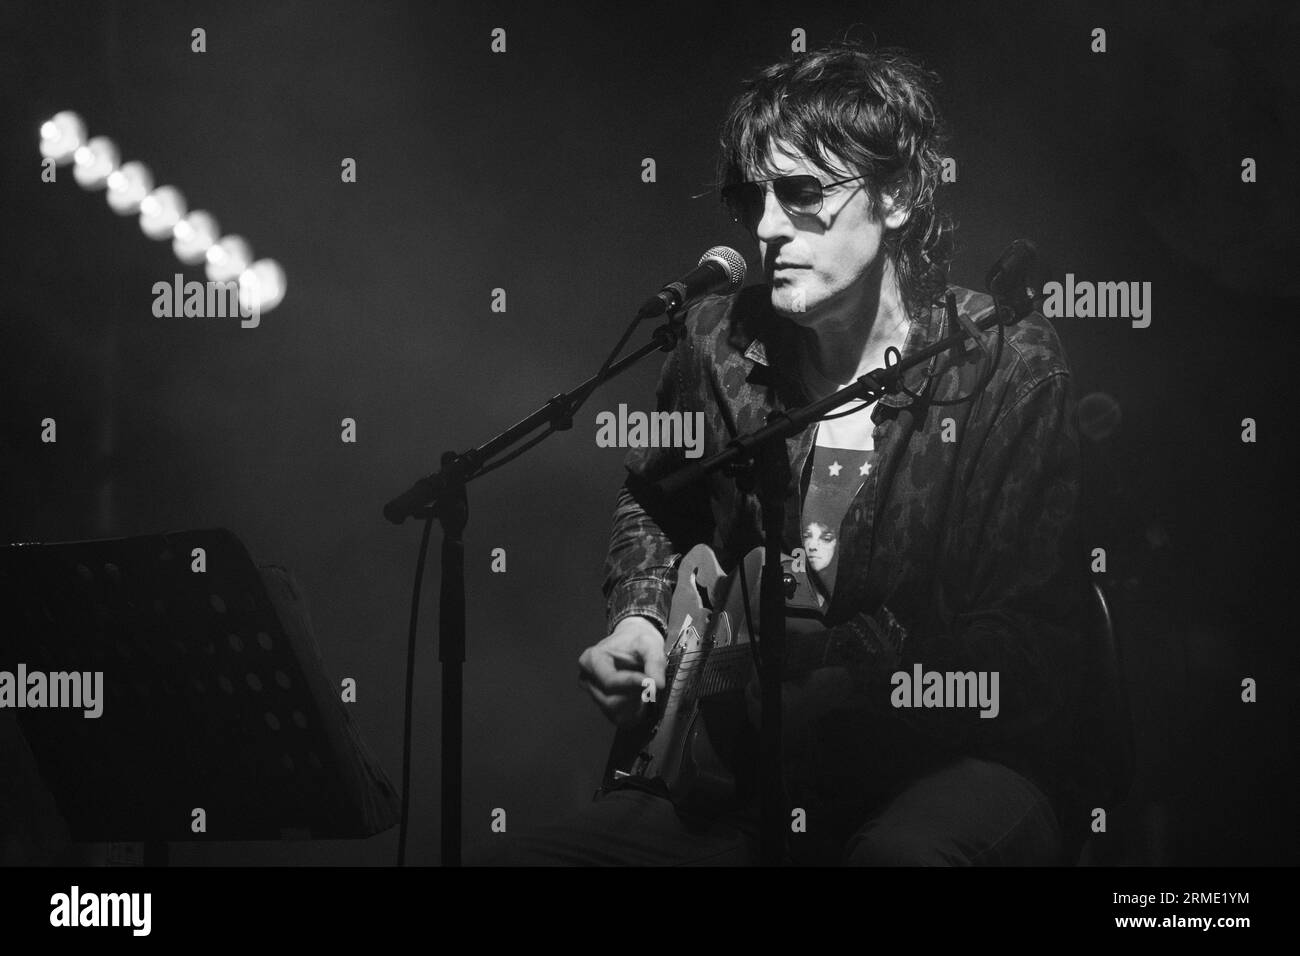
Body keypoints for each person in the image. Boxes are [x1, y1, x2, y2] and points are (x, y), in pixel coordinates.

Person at [492, 40, 1091, 866]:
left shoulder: (1004, 364)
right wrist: (636, 619)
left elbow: (1026, 641)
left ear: (901, 195)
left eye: (804, 192)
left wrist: (855, 687)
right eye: (753, 198)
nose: (769, 227)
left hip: (950, 766)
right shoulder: (716, 342)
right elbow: (658, 499)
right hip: (743, 777)